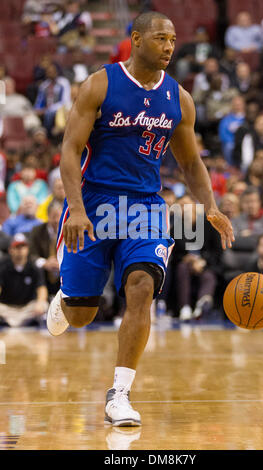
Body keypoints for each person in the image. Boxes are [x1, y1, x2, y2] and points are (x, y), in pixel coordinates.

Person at [46, 11, 234, 427]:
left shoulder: (178, 97)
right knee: (81, 315)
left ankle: (120, 393)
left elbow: (188, 159)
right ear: (136, 39)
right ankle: (65, 298)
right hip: (95, 203)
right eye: (161, 38)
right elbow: (70, 152)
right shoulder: (100, 84)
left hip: (146, 206)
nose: (169, 47)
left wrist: (211, 205)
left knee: (142, 284)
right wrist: (75, 209)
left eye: (172, 39)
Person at [0, 233, 48, 327]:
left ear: (27, 249)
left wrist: (40, 302)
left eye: (23, 246)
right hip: (7, 308)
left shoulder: (34, 266)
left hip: (27, 308)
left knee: (45, 305)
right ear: (10, 250)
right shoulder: (3, 265)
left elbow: (41, 288)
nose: (20, 250)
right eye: (17, 247)